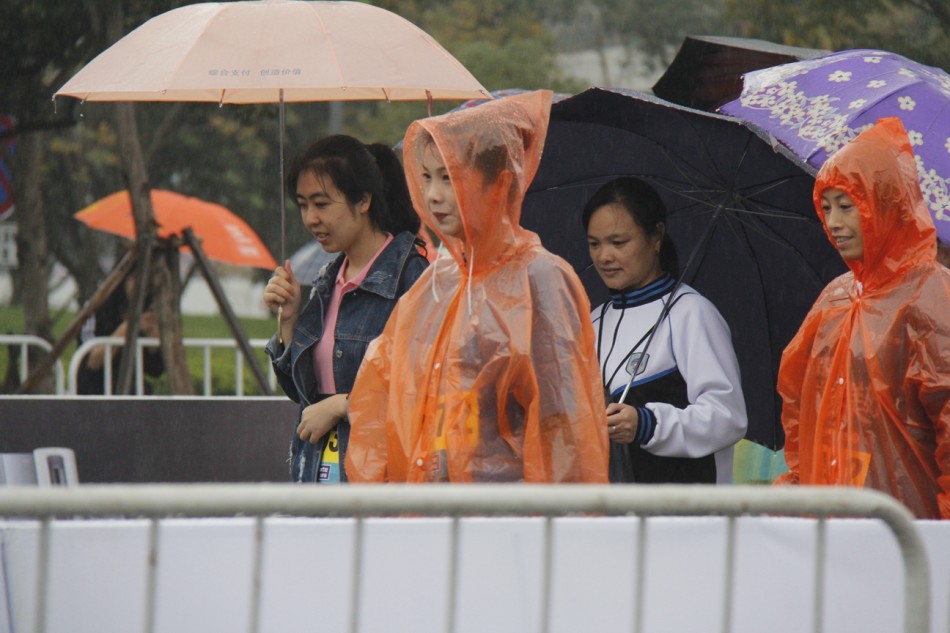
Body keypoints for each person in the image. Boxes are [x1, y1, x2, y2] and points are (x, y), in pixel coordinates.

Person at [345, 90, 609, 483]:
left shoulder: (540, 279)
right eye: (427, 178)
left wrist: (559, 530)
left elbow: (562, 425)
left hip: (504, 522)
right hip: (431, 522)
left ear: (500, 183)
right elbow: (381, 394)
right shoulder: (437, 281)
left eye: (450, 178)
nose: (433, 195)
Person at [775, 117, 950, 519]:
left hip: (907, 523)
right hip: (833, 523)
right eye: (825, 208)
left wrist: (942, 534)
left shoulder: (931, 296)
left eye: (846, 206)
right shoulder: (835, 298)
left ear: (884, 201)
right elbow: (800, 403)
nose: (834, 223)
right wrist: (798, 487)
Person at [263, 135, 429, 483]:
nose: (310, 218)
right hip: (318, 476)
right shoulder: (328, 279)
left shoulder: (413, 279)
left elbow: (421, 390)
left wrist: (343, 405)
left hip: (381, 482)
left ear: (364, 200)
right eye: (303, 205)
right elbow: (303, 393)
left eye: (321, 204)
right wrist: (289, 322)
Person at [582, 177, 747, 484]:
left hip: (686, 517)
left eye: (618, 243)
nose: (604, 256)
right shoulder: (592, 322)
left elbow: (728, 417)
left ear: (656, 236)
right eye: (594, 244)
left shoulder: (691, 313)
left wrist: (649, 423)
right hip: (613, 519)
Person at [76, 269, 164, 395]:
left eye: (147, 280)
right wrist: (128, 328)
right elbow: (92, 361)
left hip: (133, 392)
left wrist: (154, 341)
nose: (140, 285)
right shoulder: (96, 308)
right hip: (95, 392)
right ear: (123, 279)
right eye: (135, 278)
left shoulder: (148, 311)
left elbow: (156, 370)